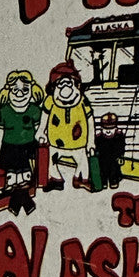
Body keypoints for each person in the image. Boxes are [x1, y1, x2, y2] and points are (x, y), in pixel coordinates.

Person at [0, 70, 44, 221]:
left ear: (32, 91)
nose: (19, 94)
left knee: (25, 179)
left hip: (28, 151)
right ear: (8, 91)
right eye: (15, 90)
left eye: (24, 90)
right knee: (12, 181)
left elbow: (38, 131)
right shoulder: (3, 112)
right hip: (9, 151)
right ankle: (14, 205)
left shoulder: (34, 111)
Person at [37, 61, 95, 191]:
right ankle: (56, 179)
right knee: (51, 160)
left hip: (78, 143)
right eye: (60, 83)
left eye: (68, 83)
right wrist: (40, 132)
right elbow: (44, 117)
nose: (65, 87)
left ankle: (80, 179)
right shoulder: (50, 100)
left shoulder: (82, 101)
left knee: (82, 161)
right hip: (56, 143)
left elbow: (90, 120)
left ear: (76, 84)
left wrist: (91, 142)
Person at [95, 112, 125, 189]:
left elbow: (121, 147)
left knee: (114, 168)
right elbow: (97, 148)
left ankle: (113, 181)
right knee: (102, 169)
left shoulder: (119, 136)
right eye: (105, 129)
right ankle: (104, 181)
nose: (108, 131)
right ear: (101, 129)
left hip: (114, 159)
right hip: (103, 158)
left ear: (115, 128)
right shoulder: (99, 138)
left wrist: (121, 156)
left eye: (111, 129)